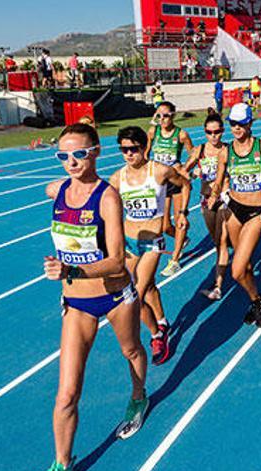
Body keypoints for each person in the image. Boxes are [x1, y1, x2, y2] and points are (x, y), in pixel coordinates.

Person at [22, 123, 148, 471]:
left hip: (113, 293)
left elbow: (115, 261)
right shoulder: (58, 189)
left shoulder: (108, 198)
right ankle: (62, 464)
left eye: (79, 153)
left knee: (131, 349)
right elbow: (51, 188)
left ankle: (138, 396)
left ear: (95, 151)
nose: (72, 161)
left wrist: (72, 267)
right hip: (76, 301)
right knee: (66, 393)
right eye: (63, 155)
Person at [109, 126, 189, 364]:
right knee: (149, 287)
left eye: (133, 149)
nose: (129, 154)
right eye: (124, 149)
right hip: (130, 242)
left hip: (152, 241)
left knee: (134, 295)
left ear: (145, 148)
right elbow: (108, 207)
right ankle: (162, 322)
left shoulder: (161, 171)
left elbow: (185, 184)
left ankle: (156, 337)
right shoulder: (117, 178)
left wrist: (182, 213)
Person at [212, 102, 261, 326]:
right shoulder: (225, 152)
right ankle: (254, 301)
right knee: (246, 264)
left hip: (254, 213)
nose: (236, 128)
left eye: (241, 123)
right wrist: (214, 194)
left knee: (237, 270)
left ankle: (258, 300)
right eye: (232, 124)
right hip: (233, 211)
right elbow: (218, 182)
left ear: (250, 123)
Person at [183, 113, 230, 300]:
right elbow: (182, 173)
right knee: (217, 242)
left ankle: (218, 285)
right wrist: (193, 174)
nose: (214, 136)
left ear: (222, 131)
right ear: (205, 133)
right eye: (210, 132)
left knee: (223, 241)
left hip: (225, 199)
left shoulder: (228, 149)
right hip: (205, 199)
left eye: (217, 131)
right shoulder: (199, 150)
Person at [145, 101, 194, 277]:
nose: (163, 119)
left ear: (173, 115)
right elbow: (146, 152)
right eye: (159, 115)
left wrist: (185, 168)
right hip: (161, 180)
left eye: (166, 115)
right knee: (165, 226)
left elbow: (193, 153)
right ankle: (183, 239)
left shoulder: (181, 134)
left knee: (180, 216)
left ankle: (174, 260)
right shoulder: (153, 132)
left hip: (177, 181)